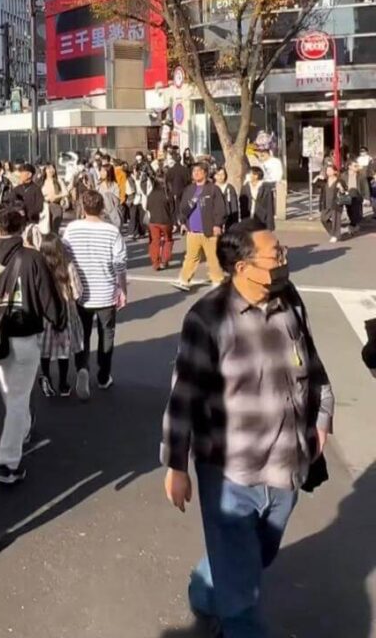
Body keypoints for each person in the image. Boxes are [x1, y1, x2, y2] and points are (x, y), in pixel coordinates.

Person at [161, 222, 334, 638]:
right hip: (229, 474)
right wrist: (176, 465)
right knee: (242, 602)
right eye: (275, 256)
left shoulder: (289, 300)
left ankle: (206, 586)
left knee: (257, 555)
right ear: (242, 268)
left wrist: (323, 416)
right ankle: (230, 606)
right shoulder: (207, 318)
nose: (284, 261)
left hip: (288, 465)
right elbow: (183, 395)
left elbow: (311, 364)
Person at [0, 206, 65, 485]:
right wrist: (58, 319)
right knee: (18, 398)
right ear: (20, 229)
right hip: (24, 333)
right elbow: (48, 296)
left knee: (9, 391)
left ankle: (20, 432)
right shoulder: (31, 258)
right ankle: (8, 463)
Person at [63, 190, 127, 399]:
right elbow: (120, 263)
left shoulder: (71, 229)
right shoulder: (112, 231)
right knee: (106, 333)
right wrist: (122, 289)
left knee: (82, 333)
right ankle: (103, 375)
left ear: (82, 206)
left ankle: (82, 366)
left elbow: (65, 256)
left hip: (80, 291)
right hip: (106, 290)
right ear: (102, 207)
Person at [35, 234, 84, 398]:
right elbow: (77, 292)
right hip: (66, 313)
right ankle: (63, 383)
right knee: (64, 350)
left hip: (46, 313)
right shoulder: (68, 266)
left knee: (45, 349)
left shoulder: (39, 267)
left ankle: (46, 377)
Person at [173, 163, 227, 292]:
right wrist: (183, 222)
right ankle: (184, 280)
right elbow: (183, 208)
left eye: (199, 171)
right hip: (193, 230)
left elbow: (220, 209)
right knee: (191, 257)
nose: (196, 173)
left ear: (205, 173)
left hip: (209, 230)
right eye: (194, 171)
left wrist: (217, 224)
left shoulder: (213, 189)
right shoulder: (189, 190)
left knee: (213, 257)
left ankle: (217, 280)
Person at [146, 173, 175, 272]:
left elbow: (147, 207)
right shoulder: (168, 194)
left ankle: (155, 262)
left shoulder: (151, 194)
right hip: (165, 221)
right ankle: (164, 260)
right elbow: (172, 210)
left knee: (155, 241)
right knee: (168, 240)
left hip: (153, 221)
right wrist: (174, 223)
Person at [239, 166, 275, 231]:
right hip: (247, 217)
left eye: (250, 174)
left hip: (261, 217)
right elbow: (242, 204)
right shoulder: (245, 187)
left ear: (256, 175)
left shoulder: (266, 188)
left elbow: (269, 207)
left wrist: (270, 225)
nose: (248, 176)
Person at [318, 164, 347, 243]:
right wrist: (316, 178)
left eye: (330, 170)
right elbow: (316, 186)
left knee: (336, 220)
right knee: (323, 219)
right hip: (326, 203)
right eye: (327, 170)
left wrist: (340, 188)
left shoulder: (340, 181)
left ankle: (335, 235)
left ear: (335, 171)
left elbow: (344, 191)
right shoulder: (325, 181)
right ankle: (333, 232)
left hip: (336, 203)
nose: (328, 172)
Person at [40, 163, 67, 234]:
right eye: (49, 168)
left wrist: (56, 196)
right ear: (45, 170)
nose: (51, 170)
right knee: (45, 228)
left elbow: (65, 192)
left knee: (55, 228)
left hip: (56, 206)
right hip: (45, 206)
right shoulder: (41, 182)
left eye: (53, 168)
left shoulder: (58, 180)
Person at [344, 155, 368, 234]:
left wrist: (366, 198)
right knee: (349, 211)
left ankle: (352, 225)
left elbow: (365, 187)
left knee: (356, 211)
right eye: (355, 166)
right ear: (349, 166)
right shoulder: (344, 175)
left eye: (357, 165)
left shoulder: (361, 176)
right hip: (347, 195)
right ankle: (354, 224)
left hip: (357, 195)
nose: (357, 167)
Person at [214, 167, 240, 231]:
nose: (220, 177)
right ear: (214, 176)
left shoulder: (230, 188)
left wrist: (235, 220)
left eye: (222, 174)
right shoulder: (211, 188)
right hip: (214, 219)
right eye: (218, 174)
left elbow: (234, 205)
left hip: (228, 217)